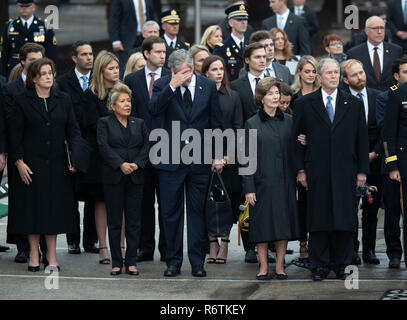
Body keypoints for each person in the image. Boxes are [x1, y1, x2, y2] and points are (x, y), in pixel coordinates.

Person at [293, 58, 370, 281]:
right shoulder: (304, 104)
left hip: (346, 171)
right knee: (318, 218)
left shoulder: (353, 104)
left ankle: (342, 263)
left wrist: (362, 171)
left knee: (344, 218)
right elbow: (297, 141)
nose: (334, 76)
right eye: (329, 73)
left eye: (336, 72)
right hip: (316, 171)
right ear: (319, 77)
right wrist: (300, 170)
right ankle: (319, 264)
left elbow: (362, 140)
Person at [149, 49, 223, 277]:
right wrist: (173, 85)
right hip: (170, 159)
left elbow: (216, 121)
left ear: (193, 67)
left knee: (198, 212)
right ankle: (173, 261)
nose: (185, 76)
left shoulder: (207, 86)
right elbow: (153, 110)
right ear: (172, 71)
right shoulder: (163, 85)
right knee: (170, 212)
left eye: (188, 71)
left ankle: (197, 261)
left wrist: (217, 153)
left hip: (200, 160)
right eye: (180, 72)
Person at [7, 57, 81, 272]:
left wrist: (74, 158)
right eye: (44, 73)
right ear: (34, 78)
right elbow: (15, 135)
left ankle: (51, 254)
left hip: (58, 166)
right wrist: (19, 162)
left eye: (51, 72)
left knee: (54, 211)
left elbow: (73, 131)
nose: (49, 76)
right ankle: (32, 252)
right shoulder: (22, 101)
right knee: (33, 210)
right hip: (31, 165)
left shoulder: (63, 99)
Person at [243, 78, 300, 280]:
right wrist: (249, 188)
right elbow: (246, 158)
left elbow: (296, 152)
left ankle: (280, 267)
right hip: (261, 183)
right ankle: (264, 266)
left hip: (285, 181)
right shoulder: (251, 123)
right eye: (271, 93)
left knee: (283, 226)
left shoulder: (290, 122)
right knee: (261, 226)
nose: (276, 97)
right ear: (261, 97)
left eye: (277, 93)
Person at [124, 36, 169, 262]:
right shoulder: (132, 80)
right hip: (141, 151)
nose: (163, 55)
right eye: (158, 52)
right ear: (146, 54)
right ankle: (145, 247)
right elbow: (128, 113)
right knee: (143, 202)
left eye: (164, 52)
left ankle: (167, 247)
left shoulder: (172, 78)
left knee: (167, 202)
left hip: (166, 149)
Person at [97, 82, 149, 276]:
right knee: (115, 221)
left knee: (134, 222)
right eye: (122, 101)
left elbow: (146, 146)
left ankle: (132, 261)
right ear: (113, 105)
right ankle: (116, 262)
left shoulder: (139, 123)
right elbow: (103, 147)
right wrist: (120, 164)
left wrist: (136, 164)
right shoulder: (104, 123)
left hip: (135, 177)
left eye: (129, 100)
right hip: (114, 177)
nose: (127, 104)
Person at [2, 42, 45, 264]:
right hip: (19, 152)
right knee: (20, 201)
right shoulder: (10, 90)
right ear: (22, 62)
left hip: (44, 153)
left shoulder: (49, 86)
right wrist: (6, 153)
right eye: (31, 60)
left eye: (39, 59)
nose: (36, 64)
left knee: (44, 200)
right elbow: (5, 124)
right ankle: (22, 246)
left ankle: (44, 247)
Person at [77, 51, 120, 265]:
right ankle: (103, 247)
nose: (115, 72)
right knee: (101, 202)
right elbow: (92, 127)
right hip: (100, 158)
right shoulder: (90, 95)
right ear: (101, 71)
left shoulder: (124, 92)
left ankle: (120, 248)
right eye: (111, 68)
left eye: (117, 68)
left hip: (124, 155)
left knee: (121, 204)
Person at [56, 41, 98, 255]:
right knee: (71, 195)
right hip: (70, 146)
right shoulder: (62, 83)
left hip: (92, 146)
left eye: (91, 54)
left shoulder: (97, 81)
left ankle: (91, 240)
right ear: (74, 58)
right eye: (84, 54)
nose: (89, 58)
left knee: (92, 195)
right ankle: (73, 240)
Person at [201, 55, 243, 264]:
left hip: (228, 158)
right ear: (205, 73)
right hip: (203, 157)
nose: (218, 73)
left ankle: (224, 241)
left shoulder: (233, 96)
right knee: (206, 201)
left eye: (221, 69)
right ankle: (212, 243)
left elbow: (237, 129)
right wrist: (208, 157)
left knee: (227, 202)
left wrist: (224, 158)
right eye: (214, 69)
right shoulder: (200, 95)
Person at [342, 59, 382, 265]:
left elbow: (383, 130)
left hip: (373, 164)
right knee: (349, 209)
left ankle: (370, 250)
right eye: (355, 75)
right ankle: (352, 250)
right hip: (349, 165)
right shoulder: (342, 99)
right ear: (345, 80)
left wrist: (374, 153)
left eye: (362, 72)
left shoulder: (378, 97)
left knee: (371, 209)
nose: (361, 77)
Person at [375, 57, 407, 268]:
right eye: (406, 71)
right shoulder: (396, 95)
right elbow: (388, 134)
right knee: (393, 211)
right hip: (399, 162)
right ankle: (394, 253)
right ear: (397, 75)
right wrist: (393, 165)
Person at [1, 0, 57, 79]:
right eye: (21, 6)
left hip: (38, 67)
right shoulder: (10, 26)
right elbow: (5, 51)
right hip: (14, 68)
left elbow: (51, 51)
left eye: (27, 6)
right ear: (17, 7)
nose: (24, 9)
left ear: (33, 7)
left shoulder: (44, 26)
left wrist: (52, 71)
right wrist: (3, 73)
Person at [347, 16, 403, 91]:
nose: (379, 32)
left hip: (391, 97)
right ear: (366, 30)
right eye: (375, 28)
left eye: (382, 28)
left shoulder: (396, 50)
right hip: (365, 98)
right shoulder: (354, 53)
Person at [109, 0, 155, 77]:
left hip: (145, 37)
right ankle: (123, 87)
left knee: (146, 63)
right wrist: (115, 40)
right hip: (127, 39)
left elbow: (151, 16)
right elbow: (114, 18)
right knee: (126, 66)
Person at [213, 4, 249, 82]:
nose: (243, 22)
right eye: (239, 19)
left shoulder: (250, 45)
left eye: (245, 19)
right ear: (230, 23)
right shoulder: (221, 48)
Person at [231, 42, 266, 122]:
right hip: (246, 131)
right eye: (257, 57)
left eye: (264, 57)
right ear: (247, 60)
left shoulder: (274, 83)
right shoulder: (235, 86)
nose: (262, 60)